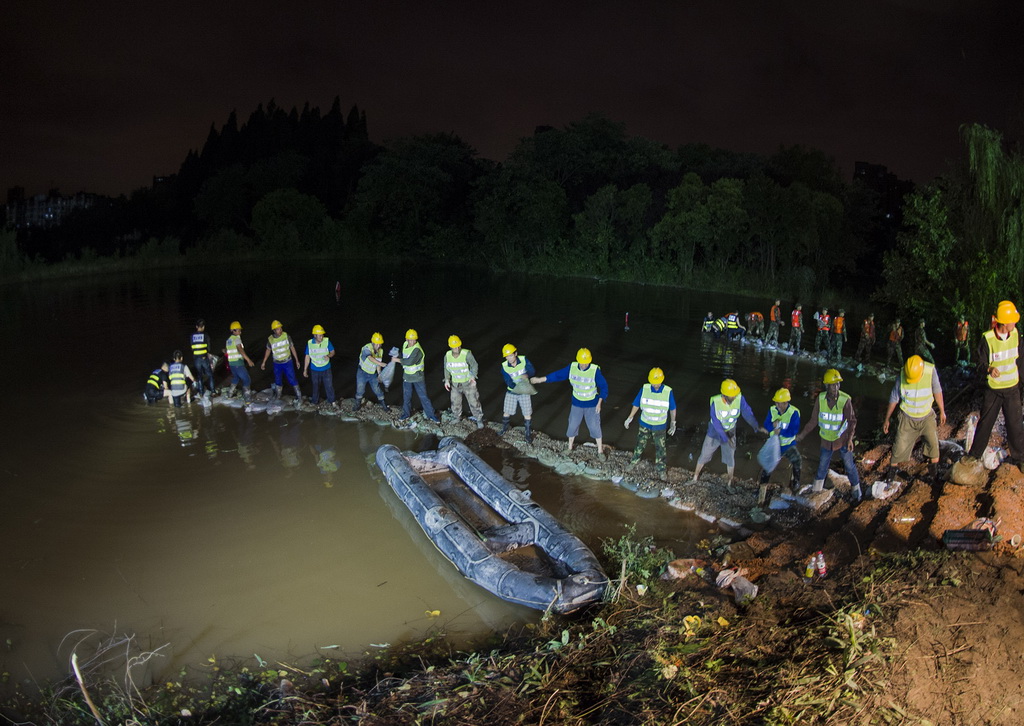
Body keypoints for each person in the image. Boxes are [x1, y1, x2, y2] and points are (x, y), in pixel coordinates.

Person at [966, 301, 1024, 462]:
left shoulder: (1016, 335)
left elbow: (1021, 362)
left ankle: (1021, 459)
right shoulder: (987, 339)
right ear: (1004, 322)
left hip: (1012, 389)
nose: (1015, 323)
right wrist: (989, 369)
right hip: (993, 390)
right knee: (985, 425)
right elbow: (978, 363)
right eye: (1012, 320)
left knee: (1016, 426)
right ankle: (974, 457)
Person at [795, 369, 863, 502]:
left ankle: (857, 491)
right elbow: (813, 420)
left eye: (838, 384)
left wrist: (850, 439)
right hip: (826, 441)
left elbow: (851, 421)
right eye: (833, 385)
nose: (836, 387)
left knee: (849, 465)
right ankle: (816, 492)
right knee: (822, 466)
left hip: (842, 440)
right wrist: (802, 435)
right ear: (826, 386)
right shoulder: (820, 399)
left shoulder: (845, 400)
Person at [530, 347, 609, 454]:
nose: (584, 365)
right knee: (572, 425)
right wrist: (540, 379)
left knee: (594, 427)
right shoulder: (572, 367)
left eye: (586, 363)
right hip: (577, 403)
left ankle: (600, 450)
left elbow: (604, 387)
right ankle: (570, 447)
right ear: (578, 360)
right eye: (582, 363)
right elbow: (557, 375)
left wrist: (599, 403)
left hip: (592, 404)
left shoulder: (594, 371)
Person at [691, 379, 764, 489]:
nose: (734, 397)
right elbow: (715, 422)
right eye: (731, 395)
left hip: (730, 431)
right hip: (714, 432)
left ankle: (729, 483)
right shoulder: (715, 402)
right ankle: (695, 478)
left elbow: (747, 412)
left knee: (730, 458)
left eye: (735, 394)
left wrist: (755, 425)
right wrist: (725, 438)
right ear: (724, 395)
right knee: (704, 454)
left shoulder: (739, 398)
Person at [882, 355, 947, 478]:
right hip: (907, 417)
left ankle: (934, 474)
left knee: (933, 445)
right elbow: (894, 397)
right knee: (899, 446)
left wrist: (942, 411)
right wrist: (887, 419)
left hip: (926, 416)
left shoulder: (930, 371)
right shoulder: (902, 374)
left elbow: (937, 391)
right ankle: (891, 474)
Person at [623, 367, 677, 477]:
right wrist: (630, 417)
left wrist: (673, 423)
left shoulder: (668, 392)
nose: (655, 385)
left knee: (660, 447)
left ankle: (661, 469)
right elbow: (636, 404)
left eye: (657, 383)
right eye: (653, 383)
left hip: (660, 425)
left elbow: (672, 408)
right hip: (645, 422)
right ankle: (634, 461)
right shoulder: (644, 388)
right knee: (640, 443)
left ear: (662, 380)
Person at [757, 388, 801, 505]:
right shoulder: (772, 410)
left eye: (778, 403)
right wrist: (772, 425)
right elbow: (766, 424)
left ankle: (795, 483)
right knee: (767, 468)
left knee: (797, 461)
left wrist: (779, 430)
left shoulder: (794, 412)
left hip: (787, 445)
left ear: (786, 403)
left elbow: (793, 431)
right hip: (774, 445)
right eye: (776, 402)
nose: (776, 405)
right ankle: (761, 492)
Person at [393, 328, 440, 423]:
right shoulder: (405, 344)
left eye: (414, 339)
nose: (412, 342)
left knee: (423, 397)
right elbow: (404, 356)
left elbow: (410, 361)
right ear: (406, 339)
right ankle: (406, 414)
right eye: (410, 340)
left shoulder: (417, 350)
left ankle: (431, 415)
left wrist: (397, 360)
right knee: (406, 397)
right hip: (407, 377)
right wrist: (398, 356)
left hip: (418, 377)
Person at [443, 335, 484, 429]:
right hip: (455, 384)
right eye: (454, 347)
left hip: (468, 383)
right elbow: (446, 368)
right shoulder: (448, 355)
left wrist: (473, 376)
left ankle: (479, 419)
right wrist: (447, 380)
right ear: (450, 347)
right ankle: (457, 417)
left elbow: (474, 365)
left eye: (458, 346)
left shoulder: (467, 354)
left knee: (474, 402)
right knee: (455, 402)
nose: (457, 348)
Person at [499, 343, 536, 443]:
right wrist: (517, 388)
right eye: (507, 356)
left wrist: (526, 375)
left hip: (524, 391)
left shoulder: (524, 360)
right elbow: (508, 381)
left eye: (511, 355)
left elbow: (532, 371)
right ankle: (504, 429)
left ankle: (527, 434)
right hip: (512, 392)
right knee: (507, 411)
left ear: (515, 354)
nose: (509, 359)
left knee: (527, 413)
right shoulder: (504, 367)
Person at [260, 320, 302, 403]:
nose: (280, 330)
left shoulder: (286, 336)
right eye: (278, 329)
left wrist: (297, 360)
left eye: (280, 328)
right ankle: (278, 395)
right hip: (277, 363)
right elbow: (268, 350)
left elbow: (292, 347)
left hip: (287, 362)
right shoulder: (271, 339)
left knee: (292, 378)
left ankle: (299, 396)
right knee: (277, 379)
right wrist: (264, 362)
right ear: (274, 330)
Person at [303, 324, 336, 407]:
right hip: (315, 369)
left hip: (326, 368)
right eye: (320, 335)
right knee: (315, 386)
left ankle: (332, 401)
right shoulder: (310, 343)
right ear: (315, 335)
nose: (322, 337)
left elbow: (333, 352)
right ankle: (314, 401)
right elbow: (307, 357)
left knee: (329, 386)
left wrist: (328, 355)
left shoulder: (327, 341)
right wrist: (305, 370)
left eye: (322, 335)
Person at [355, 332, 389, 411]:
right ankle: (357, 405)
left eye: (379, 344)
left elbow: (377, 364)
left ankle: (384, 405)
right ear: (372, 342)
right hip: (362, 373)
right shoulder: (366, 348)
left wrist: (379, 374)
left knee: (377, 390)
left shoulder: (381, 351)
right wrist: (381, 363)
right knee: (360, 389)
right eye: (376, 344)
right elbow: (370, 358)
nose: (378, 346)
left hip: (372, 374)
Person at [224, 321, 255, 400]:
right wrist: (248, 360)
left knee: (236, 378)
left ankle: (230, 394)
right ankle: (247, 398)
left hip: (231, 363)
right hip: (238, 363)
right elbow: (240, 350)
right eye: (238, 330)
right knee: (247, 379)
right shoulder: (236, 339)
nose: (240, 332)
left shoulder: (228, 340)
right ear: (233, 331)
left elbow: (227, 351)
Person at [190, 318, 215, 398]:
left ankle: (201, 393)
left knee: (199, 375)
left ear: (196, 326)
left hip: (196, 359)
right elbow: (209, 348)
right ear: (203, 327)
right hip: (204, 358)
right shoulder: (205, 335)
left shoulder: (192, 336)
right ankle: (213, 391)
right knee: (210, 375)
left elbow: (192, 347)